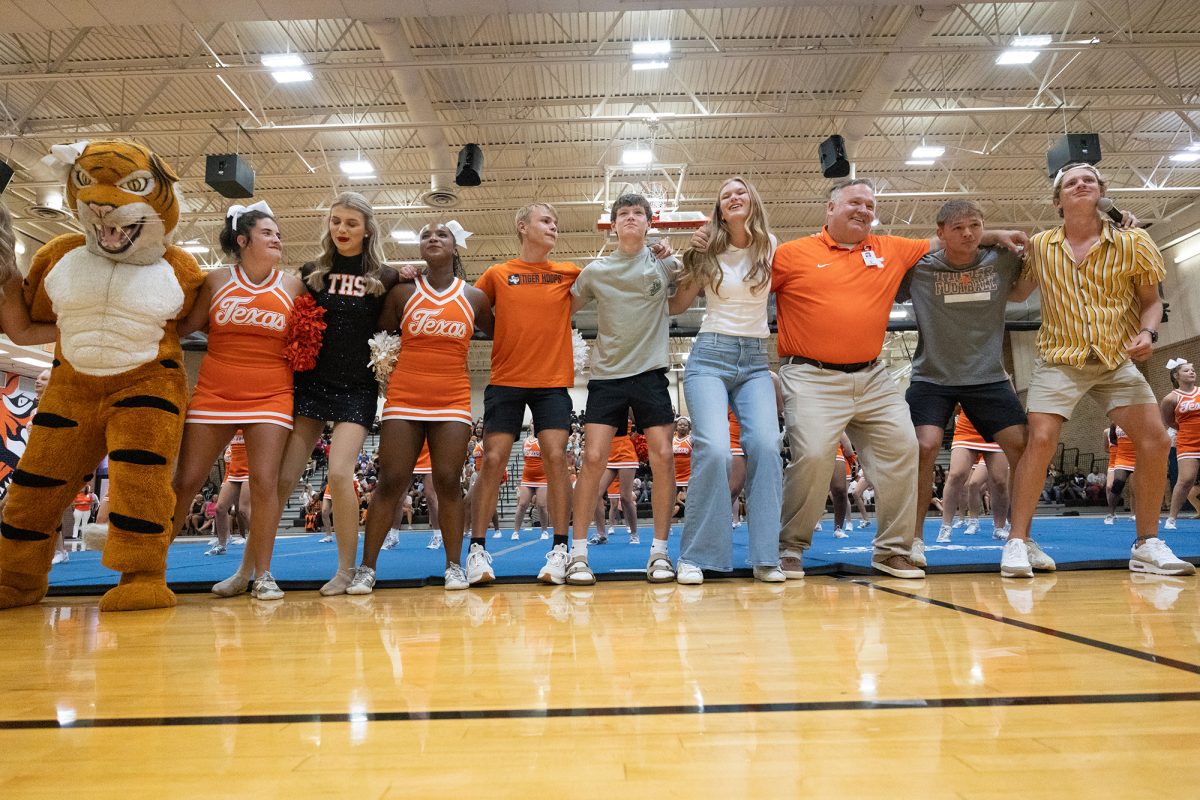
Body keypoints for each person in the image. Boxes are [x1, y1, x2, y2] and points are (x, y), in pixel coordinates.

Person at [774, 179, 1026, 579]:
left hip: (873, 376)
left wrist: (992, 233)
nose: (863, 210)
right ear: (830, 208)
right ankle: (790, 546)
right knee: (816, 455)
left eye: (870, 205)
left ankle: (893, 550)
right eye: (854, 202)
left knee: (905, 449)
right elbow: (749, 293)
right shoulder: (791, 254)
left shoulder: (889, 248)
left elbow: (944, 241)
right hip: (811, 375)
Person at [1006, 162, 1193, 577]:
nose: (1081, 184)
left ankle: (1147, 543)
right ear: (1058, 202)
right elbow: (1017, 292)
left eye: (1089, 179)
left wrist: (1148, 333)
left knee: (1157, 440)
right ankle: (1017, 542)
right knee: (1041, 438)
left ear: (1101, 192)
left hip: (1115, 357)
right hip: (1060, 358)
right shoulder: (1040, 247)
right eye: (1070, 182)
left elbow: (1151, 301)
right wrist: (1003, 254)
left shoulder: (1133, 241)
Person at [347, 221, 493, 594]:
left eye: (441, 234)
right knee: (391, 482)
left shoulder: (474, 297)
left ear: (455, 246)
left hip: (453, 399)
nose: (432, 238)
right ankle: (367, 568)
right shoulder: (402, 293)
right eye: (425, 234)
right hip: (405, 397)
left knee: (447, 482)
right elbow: (379, 336)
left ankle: (454, 566)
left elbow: (500, 333)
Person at [169, 203, 305, 601]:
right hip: (214, 393)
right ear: (243, 240)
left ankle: (262, 574)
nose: (277, 238)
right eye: (268, 232)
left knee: (264, 486)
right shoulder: (215, 281)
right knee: (186, 481)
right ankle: (150, 567)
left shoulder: (293, 286)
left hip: (271, 395)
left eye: (278, 233)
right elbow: (180, 329)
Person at [901, 199, 1042, 574]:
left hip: (988, 376)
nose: (968, 233)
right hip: (932, 376)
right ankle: (913, 540)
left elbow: (1031, 270)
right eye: (958, 227)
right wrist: (993, 234)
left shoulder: (1002, 261)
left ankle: (1022, 539)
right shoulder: (919, 268)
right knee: (924, 445)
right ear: (940, 232)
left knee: (1023, 447)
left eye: (976, 226)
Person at [466, 203, 581, 587]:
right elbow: (469, 307)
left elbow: (612, 279)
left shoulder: (568, 273)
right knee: (493, 459)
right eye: (546, 221)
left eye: (555, 222)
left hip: (551, 382)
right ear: (522, 227)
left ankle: (562, 549)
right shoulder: (498, 274)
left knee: (556, 457)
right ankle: (477, 552)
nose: (553, 228)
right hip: (505, 380)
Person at [568, 193, 679, 585]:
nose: (630, 218)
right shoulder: (596, 270)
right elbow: (562, 309)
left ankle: (660, 552)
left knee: (664, 455)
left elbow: (682, 302)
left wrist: (672, 256)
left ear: (649, 223)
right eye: (623, 214)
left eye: (638, 214)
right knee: (594, 459)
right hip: (606, 376)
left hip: (650, 373)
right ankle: (577, 554)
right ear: (613, 225)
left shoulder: (666, 264)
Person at [1163, 359, 1200, 529]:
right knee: (1186, 480)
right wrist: (1186, 430)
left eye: (1192, 370)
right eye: (1187, 371)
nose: (1192, 372)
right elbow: (1169, 421)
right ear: (1176, 376)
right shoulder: (1171, 398)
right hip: (1188, 442)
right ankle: (1171, 518)